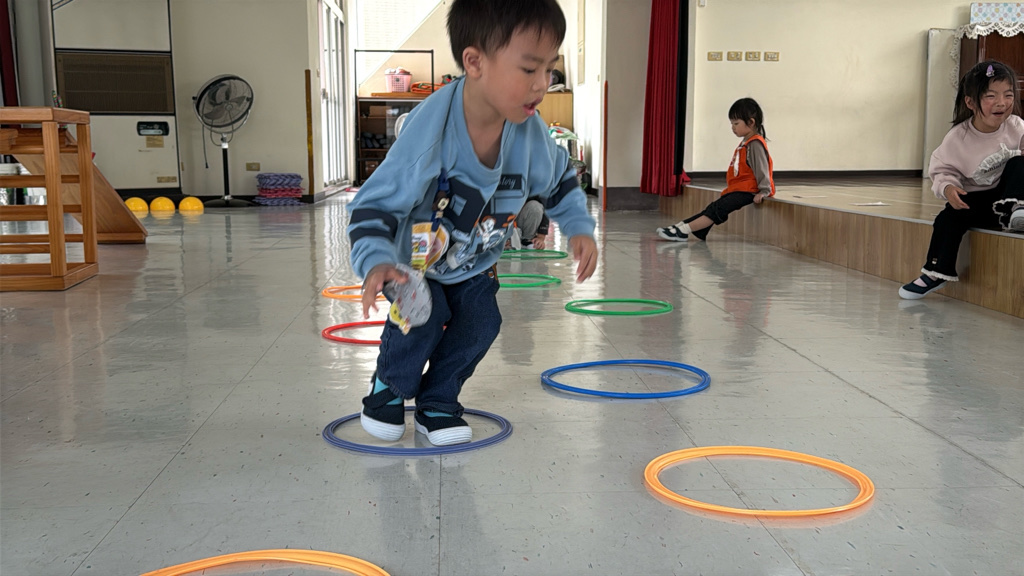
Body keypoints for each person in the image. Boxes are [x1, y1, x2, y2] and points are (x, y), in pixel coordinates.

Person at [346, 0, 598, 446]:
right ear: (475, 62)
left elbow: (559, 176)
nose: (542, 85)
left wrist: (578, 225)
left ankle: (438, 401)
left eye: (550, 70)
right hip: (415, 264)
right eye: (529, 69)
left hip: (476, 260)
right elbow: (374, 204)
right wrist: (376, 260)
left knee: (482, 323)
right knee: (424, 317)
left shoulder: (528, 129)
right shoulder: (431, 132)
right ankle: (388, 387)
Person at [899, 60, 1024, 300]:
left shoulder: (1017, 127)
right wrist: (948, 188)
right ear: (970, 102)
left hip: (1015, 199)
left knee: (1019, 163)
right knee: (948, 218)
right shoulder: (958, 137)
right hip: (981, 202)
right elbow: (943, 170)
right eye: (991, 96)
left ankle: (1018, 213)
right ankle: (935, 271)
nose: (1001, 102)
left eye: (1008, 95)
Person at [656, 98, 774, 242]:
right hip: (740, 189)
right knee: (713, 208)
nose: (733, 128)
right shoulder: (746, 142)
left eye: (736, 123)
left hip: (748, 191)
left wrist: (764, 191)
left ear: (751, 122)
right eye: (731, 124)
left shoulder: (755, 144)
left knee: (717, 209)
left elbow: (762, 169)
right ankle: (686, 227)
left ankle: (683, 231)